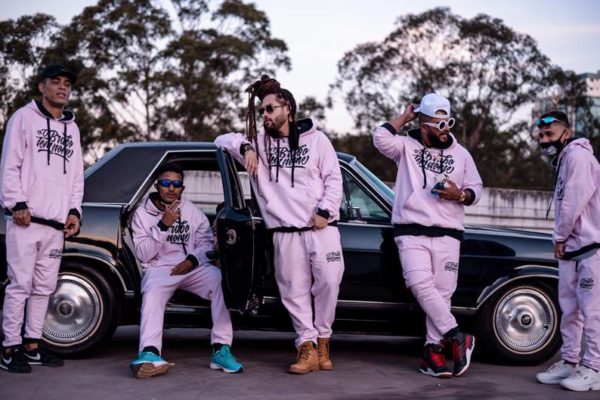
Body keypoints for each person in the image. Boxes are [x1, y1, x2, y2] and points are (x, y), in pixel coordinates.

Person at [215, 75, 344, 374]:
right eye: (262, 111)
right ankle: (307, 346)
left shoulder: (318, 140)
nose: (265, 115)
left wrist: (325, 210)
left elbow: (333, 178)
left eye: (270, 109)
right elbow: (221, 140)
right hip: (284, 232)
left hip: (321, 227)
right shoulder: (259, 144)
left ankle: (323, 339)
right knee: (293, 291)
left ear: (288, 108)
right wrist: (246, 148)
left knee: (329, 282)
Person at [372, 93, 483, 378]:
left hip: (449, 233)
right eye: (439, 125)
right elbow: (380, 137)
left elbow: (476, 188)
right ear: (423, 126)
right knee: (419, 284)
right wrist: (405, 116)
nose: (446, 130)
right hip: (411, 230)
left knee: (442, 295)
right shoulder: (405, 147)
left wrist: (461, 195)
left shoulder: (461, 154)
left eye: (449, 123)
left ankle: (432, 354)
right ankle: (457, 336)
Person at [0, 64, 84, 373]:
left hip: (56, 225)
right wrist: (16, 203)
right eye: (56, 82)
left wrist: (74, 211)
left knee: (44, 287)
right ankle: (9, 347)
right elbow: (10, 163)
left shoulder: (72, 128)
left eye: (67, 84)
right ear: (42, 86)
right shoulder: (23, 118)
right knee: (19, 285)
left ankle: (32, 345)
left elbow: (77, 176)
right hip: (26, 220)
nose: (62, 87)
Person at [129, 162, 243, 378]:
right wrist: (163, 226)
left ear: (182, 187)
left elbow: (206, 242)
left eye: (177, 184)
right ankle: (149, 353)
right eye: (166, 183)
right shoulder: (142, 214)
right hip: (160, 268)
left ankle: (221, 349)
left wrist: (193, 260)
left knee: (222, 282)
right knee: (152, 294)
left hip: (191, 268)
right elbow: (144, 254)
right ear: (157, 185)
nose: (171, 188)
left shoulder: (190, 209)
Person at [534, 111, 600, 392]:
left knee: (592, 311)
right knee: (570, 310)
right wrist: (562, 240)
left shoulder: (578, 157)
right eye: (541, 135)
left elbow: (574, 201)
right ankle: (570, 361)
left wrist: (559, 237)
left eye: (549, 134)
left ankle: (594, 367)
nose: (544, 140)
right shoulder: (563, 160)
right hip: (572, 248)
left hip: (590, 246)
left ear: (567, 133)